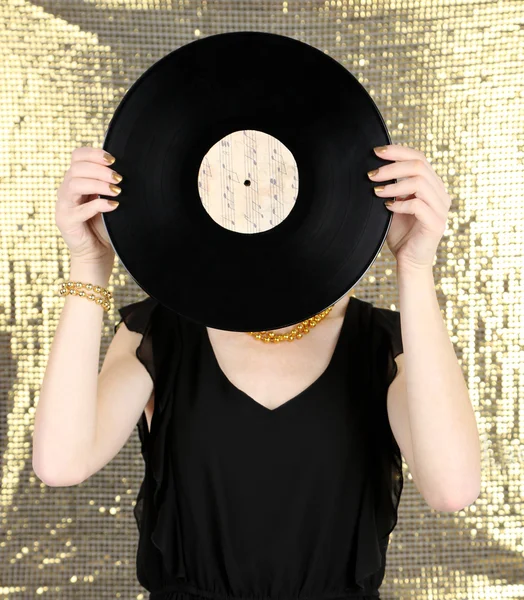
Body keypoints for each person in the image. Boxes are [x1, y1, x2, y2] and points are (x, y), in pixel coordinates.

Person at [34, 144, 477, 599]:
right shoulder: (160, 330)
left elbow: (452, 489)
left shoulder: (384, 342)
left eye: (276, 180)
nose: (259, 200)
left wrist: (416, 266)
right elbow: (61, 463)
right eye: (238, 180)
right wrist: (89, 264)